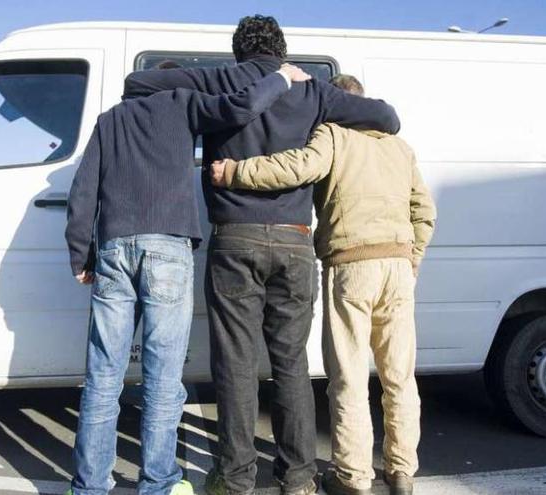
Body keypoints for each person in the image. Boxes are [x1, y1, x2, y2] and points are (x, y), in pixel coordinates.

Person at [124, 16, 400, 495]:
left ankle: (234, 479)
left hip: (235, 238)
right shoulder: (313, 91)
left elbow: (137, 82)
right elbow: (388, 117)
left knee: (234, 364)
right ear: (282, 49)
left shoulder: (223, 78)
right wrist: (297, 83)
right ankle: (298, 478)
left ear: (239, 52)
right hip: (294, 241)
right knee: (291, 364)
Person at [64, 64, 312, 495]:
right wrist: (282, 79)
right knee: (161, 376)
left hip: (114, 248)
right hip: (167, 249)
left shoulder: (109, 121)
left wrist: (80, 253)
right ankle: (158, 482)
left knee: (103, 376)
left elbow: (83, 190)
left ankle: (88, 487)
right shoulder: (182, 103)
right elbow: (243, 106)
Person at [210, 74, 436, 495]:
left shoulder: (333, 136)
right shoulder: (400, 148)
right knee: (399, 375)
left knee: (348, 375)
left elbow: (297, 167)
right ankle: (401, 471)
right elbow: (425, 211)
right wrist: (413, 258)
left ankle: (353, 477)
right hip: (398, 267)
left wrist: (236, 171)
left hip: (352, 265)